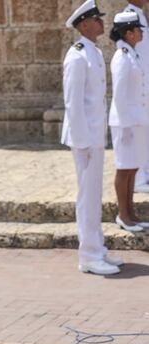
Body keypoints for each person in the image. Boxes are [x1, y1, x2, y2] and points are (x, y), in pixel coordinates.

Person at [61, 0, 123, 275]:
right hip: (85, 139)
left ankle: (97, 250)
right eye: (97, 20)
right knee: (87, 196)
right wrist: (83, 140)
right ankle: (88, 256)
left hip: (95, 137)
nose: (101, 23)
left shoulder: (93, 52)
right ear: (84, 24)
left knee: (94, 195)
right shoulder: (76, 56)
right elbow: (72, 103)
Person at [109, 11, 149, 233]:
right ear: (129, 33)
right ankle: (123, 214)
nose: (141, 33)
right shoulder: (122, 57)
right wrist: (125, 127)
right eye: (137, 29)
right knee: (124, 169)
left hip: (135, 121)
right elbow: (120, 95)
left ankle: (131, 212)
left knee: (132, 168)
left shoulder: (132, 54)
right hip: (126, 123)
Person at [124, 0, 149, 193]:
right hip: (142, 86)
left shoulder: (138, 14)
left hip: (145, 84)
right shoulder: (130, 16)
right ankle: (140, 178)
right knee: (139, 132)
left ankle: (144, 174)